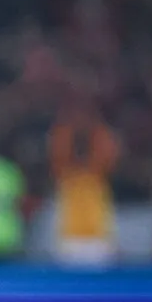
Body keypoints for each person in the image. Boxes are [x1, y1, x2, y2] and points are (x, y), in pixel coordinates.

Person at [49, 103, 119, 266]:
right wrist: (70, 128)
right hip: (70, 240)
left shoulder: (98, 176)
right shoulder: (65, 176)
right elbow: (58, 152)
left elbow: (108, 154)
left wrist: (92, 128)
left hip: (98, 239)